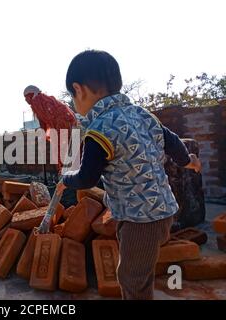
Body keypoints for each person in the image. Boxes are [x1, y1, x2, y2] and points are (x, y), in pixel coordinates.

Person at [56, 50, 202, 300]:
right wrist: (189, 162)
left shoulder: (98, 130)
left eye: (72, 97)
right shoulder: (144, 115)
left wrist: (66, 176)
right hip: (163, 210)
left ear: (79, 90)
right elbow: (174, 143)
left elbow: (87, 179)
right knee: (138, 269)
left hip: (140, 221)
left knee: (131, 279)